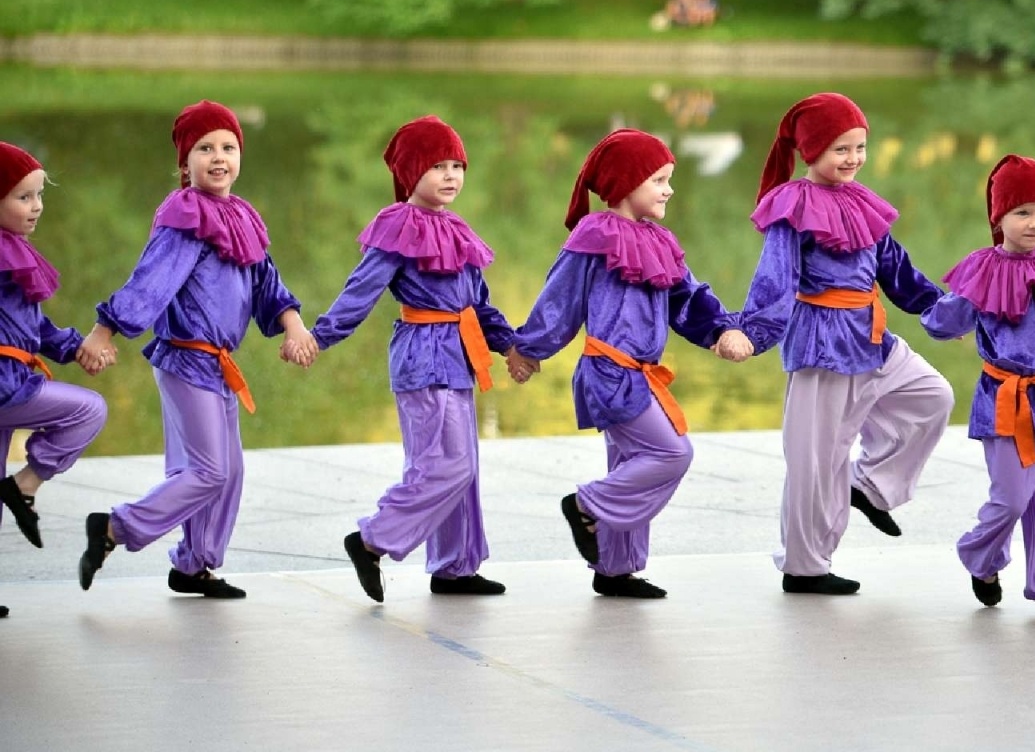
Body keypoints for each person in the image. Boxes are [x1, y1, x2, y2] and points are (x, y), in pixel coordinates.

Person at [77, 101, 316, 599]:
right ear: (185, 163)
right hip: (186, 359)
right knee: (208, 470)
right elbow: (151, 281)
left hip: (219, 366)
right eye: (204, 148)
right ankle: (115, 529)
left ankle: (194, 565)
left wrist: (293, 325)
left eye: (228, 147)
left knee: (228, 474)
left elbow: (268, 283)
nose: (218, 157)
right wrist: (107, 329)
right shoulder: (185, 215)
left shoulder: (242, 215)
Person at [512, 129, 751, 599]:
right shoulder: (594, 236)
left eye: (669, 179)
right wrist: (529, 348)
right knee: (671, 454)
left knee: (630, 460)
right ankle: (586, 505)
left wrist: (720, 330)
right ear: (627, 183)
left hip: (641, 375)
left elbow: (688, 298)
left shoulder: (661, 240)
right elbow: (560, 300)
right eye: (659, 179)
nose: (669, 189)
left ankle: (615, 569)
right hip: (609, 372)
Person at [739, 93, 954, 594]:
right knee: (815, 460)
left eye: (860, 146)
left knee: (933, 396)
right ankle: (805, 567)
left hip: (871, 336)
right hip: (821, 342)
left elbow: (897, 271)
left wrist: (941, 309)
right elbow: (776, 278)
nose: (854, 158)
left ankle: (872, 486)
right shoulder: (793, 205)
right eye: (841, 149)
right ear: (811, 151)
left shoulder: (861, 201)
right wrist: (752, 333)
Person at [312, 116, 518, 603]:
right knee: (443, 466)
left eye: (456, 165)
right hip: (424, 356)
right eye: (436, 166)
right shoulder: (398, 224)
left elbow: (479, 303)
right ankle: (371, 539)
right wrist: (320, 337)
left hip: (461, 354)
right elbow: (360, 291)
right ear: (410, 173)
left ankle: (455, 567)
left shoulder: (457, 228)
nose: (450, 175)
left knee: (464, 469)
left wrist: (510, 345)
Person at [921, 155, 1035, 622]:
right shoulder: (981, 269)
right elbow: (943, 323)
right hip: (1002, 399)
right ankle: (982, 560)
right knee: (1011, 497)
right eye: (1022, 212)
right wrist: (955, 307)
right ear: (998, 217)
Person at [0, 142, 110, 616]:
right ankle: (25, 482)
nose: (37, 206)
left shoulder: (14, 252)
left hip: (12, 376)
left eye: (39, 195)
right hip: (6, 384)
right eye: (23, 197)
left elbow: (34, 327)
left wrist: (74, 348)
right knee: (89, 409)